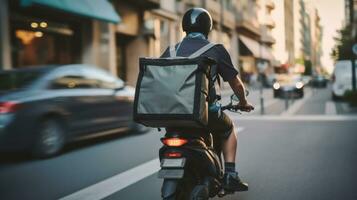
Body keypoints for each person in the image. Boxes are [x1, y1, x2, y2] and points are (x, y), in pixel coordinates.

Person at [161, 8, 254, 192]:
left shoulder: (170, 51)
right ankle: (230, 175)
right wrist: (243, 102)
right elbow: (236, 85)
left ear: (184, 26)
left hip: (173, 115)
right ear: (208, 27)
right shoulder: (216, 51)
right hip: (203, 114)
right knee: (228, 129)